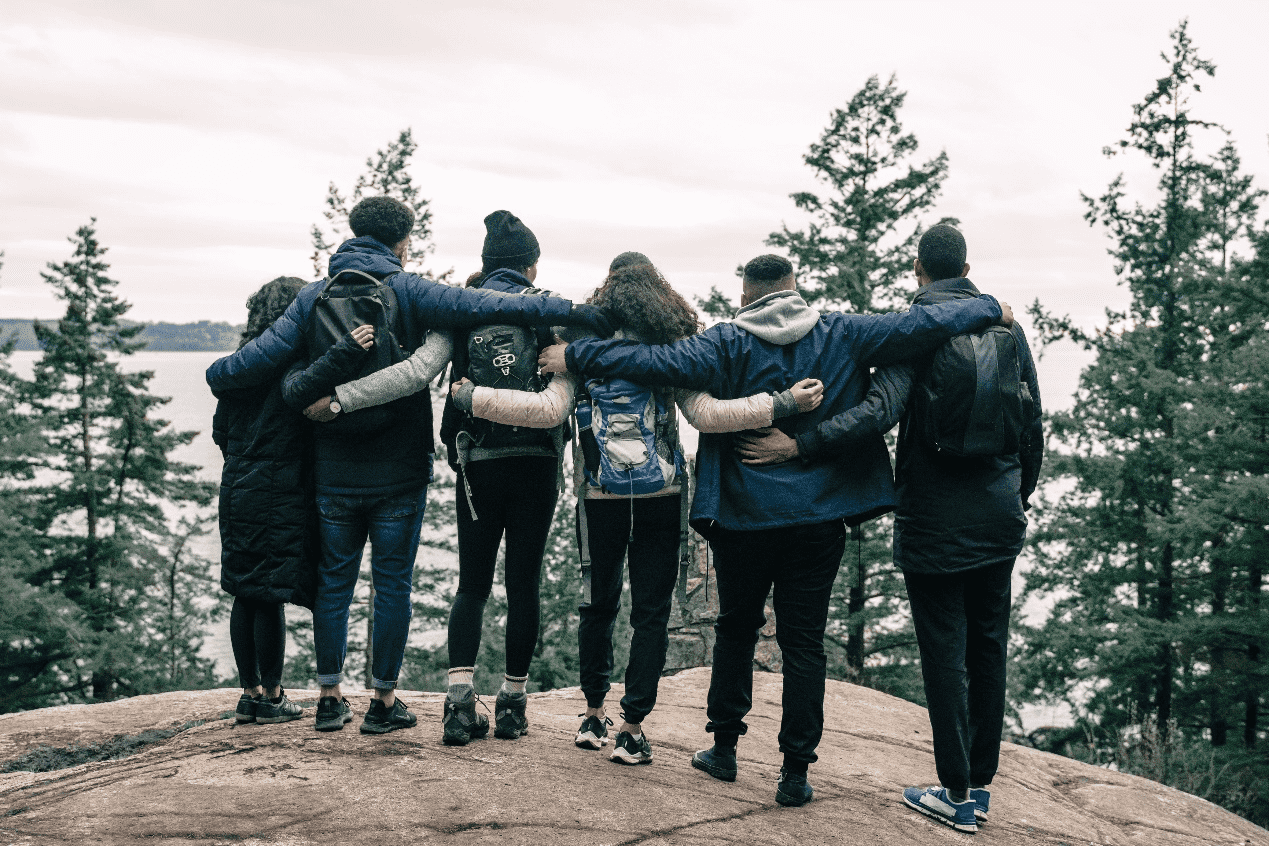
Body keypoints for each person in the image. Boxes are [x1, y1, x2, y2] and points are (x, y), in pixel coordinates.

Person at [540, 253, 1012, 807]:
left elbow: (653, 360)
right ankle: (794, 772)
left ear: (746, 296)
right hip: (818, 519)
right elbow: (918, 325)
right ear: (796, 288)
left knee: (736, 629)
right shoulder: (843, 332)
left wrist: (576, 352)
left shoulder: (724, 342)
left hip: (744, 517)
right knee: (805, 644)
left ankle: (724, 750)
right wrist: (987, 307)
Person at [206, 197, 612, 736]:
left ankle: (328, 699)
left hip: (333, 468)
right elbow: (484, 305)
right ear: (403, 241)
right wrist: (572, 313)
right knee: (393, 583)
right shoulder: (409, 290)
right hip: (399, 470)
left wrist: (232, 373)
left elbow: (235, 371)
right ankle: (383, 702)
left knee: (334, 583)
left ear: (355, 233)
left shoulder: (311, 298)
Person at [449, 252, 822, 764]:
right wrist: (780, 405)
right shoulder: (671, 352)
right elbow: (709, 416)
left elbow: (548, 410)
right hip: (661, 498)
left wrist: (472, 399)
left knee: (597, 607)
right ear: (659, 298)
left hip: (599, 497)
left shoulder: (579, 350)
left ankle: (593, 715)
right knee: (650, 614)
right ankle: (632, 726)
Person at [736, 225, 1043, 834]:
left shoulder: (919, 334)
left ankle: (953, 792)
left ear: (917, 269)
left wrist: (799, 444)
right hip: (999, 517)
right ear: (966, 266)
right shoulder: (1007, 328)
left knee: (944, 655)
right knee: (988, 647)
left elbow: (876, 412)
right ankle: (979, 788)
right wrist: (1018, 493)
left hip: (934, 522)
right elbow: (1031, 418)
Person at [212, 276, 374, 726]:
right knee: (268, 592)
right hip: (280, 486)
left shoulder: (242, 368)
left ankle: (248, 694)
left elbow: (221, 433)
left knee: (244, 590)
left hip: (237, 484)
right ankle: (272, 695)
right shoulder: (295, 363)